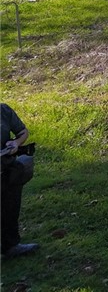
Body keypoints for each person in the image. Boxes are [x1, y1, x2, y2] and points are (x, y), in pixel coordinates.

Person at [1, 103, 38, 259]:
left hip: (7, 167)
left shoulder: (4, 110)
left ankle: (10, 246)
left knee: (11, 206)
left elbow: (23, 132)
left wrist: (15, 143)